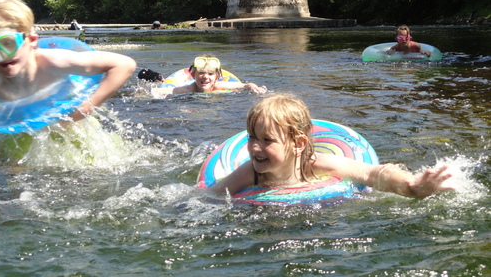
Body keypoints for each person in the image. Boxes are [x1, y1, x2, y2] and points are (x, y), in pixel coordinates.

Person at [208, 94, 454, 199]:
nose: (254, 147)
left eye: (267, 140)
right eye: (252, 137)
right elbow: (211, 195)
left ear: (299, 144)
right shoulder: (250, 172)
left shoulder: (315, 165)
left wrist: (412, 185)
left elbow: (372, 173)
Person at [0, 0, 137, 123]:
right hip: (17, 121)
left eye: (8, 43)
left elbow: (124, 64)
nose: (0, 55)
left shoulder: (53, 62)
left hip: (64, 114)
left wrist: (86, 108)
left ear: (32, 41)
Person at [155, 55, 267, 95]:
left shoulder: (218, 85)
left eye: (210, 74)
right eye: (201, 73)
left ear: (217, 77)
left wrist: (254, 87)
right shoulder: (189, 89)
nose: (205, 77)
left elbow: (244, 85)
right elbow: (167, 91)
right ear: (193, 75)